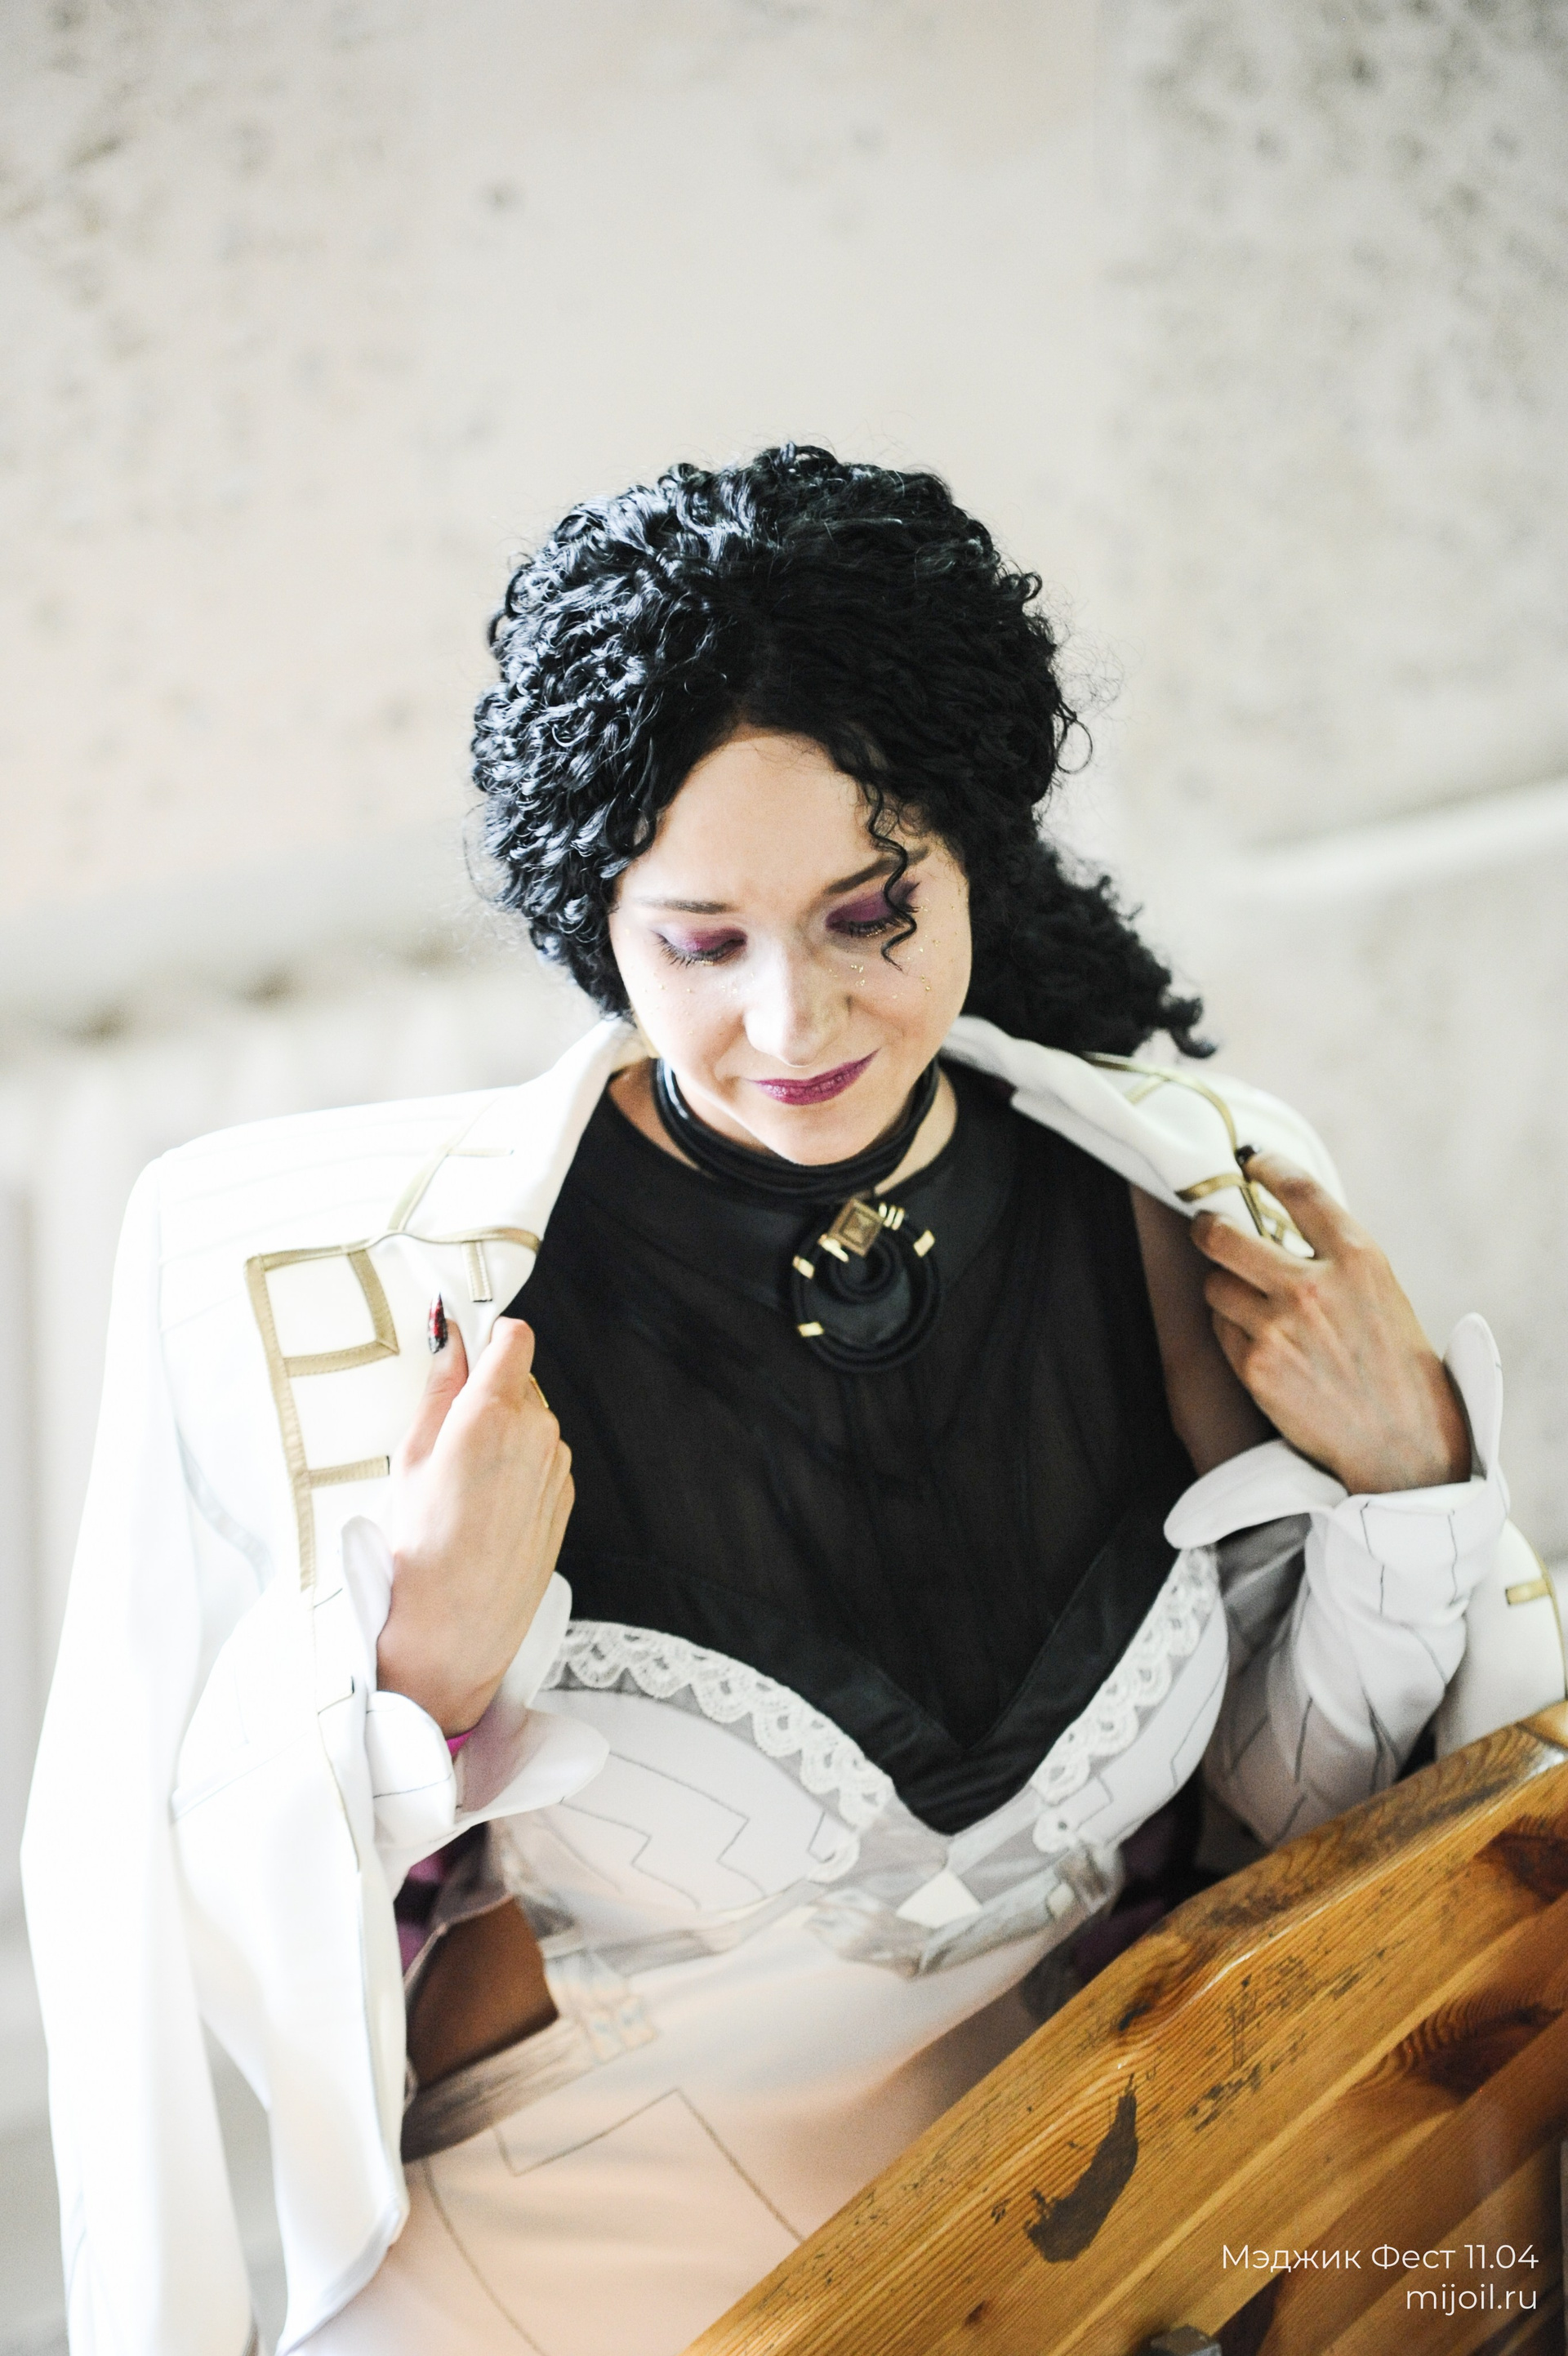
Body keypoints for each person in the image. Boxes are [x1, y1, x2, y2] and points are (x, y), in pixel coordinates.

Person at [23, 448, 1515, 2356]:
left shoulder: (1180, 1205)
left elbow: (1309, 1838)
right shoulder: (404, 1309)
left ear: (974, 857)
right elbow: (181, 1924)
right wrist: (412, 1675)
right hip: (578, 2258)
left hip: (1088, 2187)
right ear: (598, 923)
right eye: (701, 943)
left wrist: (1411, 1489)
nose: (793, 1024)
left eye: (869, 913)